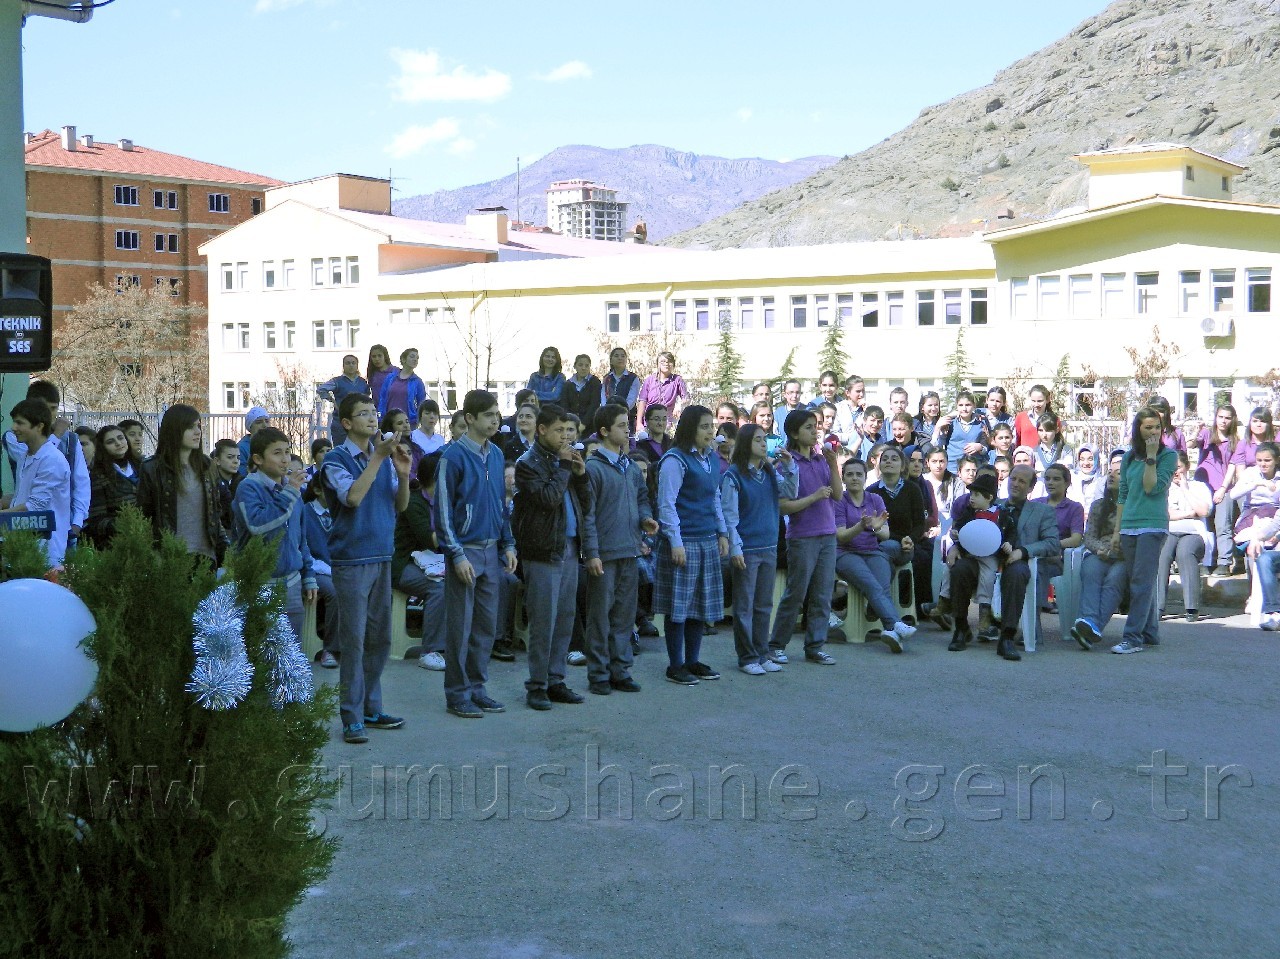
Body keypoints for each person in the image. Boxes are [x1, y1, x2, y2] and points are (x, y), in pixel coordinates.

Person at [320, 394, 412, 743]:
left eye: (374, 413)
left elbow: (400, 505)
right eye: (363, 414)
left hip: (381, 556)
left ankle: (372, 707)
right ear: (346, 423)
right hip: (351, 560)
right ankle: (351, 716)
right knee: (354, 642)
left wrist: (402, 474)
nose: (372, 418)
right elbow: (353, 497)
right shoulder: (335, 459)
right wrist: (378, 457)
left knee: (379, 639)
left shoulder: (384, 457)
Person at [435, 390, 518, 719]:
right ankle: (456, 693)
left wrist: (508, 543)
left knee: (486, 625)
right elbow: (443, 512)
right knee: (460, 626)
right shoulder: (451, 457)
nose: (495, 420)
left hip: (490, 550)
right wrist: (455, 555)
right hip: (465, 553)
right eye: (488, 415)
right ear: (469, 418)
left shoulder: (497, 455)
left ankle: (477, 688)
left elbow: (502, 504)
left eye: (497, 414)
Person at [512, 404, 595, 710]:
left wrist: (581, 476)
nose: (565, 437)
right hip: (542, 551)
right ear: (542, 430)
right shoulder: (527, 463)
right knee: (543, 621)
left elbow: (586, 505)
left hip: (570, 548)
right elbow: (547, 500)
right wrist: (563, 468)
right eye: (559, 430)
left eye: (568, 431)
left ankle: (556, 681)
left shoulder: (565, 461)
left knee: (564, 620)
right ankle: (536, 685)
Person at [949, 464, 1060, 661]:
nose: (1015, 484)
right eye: (1013, 479)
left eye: (1022, 481)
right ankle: (961, 628)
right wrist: (955, 547)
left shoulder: (1042, 511)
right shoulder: (989, 503)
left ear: (1031, 488)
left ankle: (1007, 636)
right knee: (960, 568)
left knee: (1016, 574)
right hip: (982, 559)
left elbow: (1052, 544)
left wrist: (1023, 551)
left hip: (1014, 560)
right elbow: (965, 528)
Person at [583, 404, 657, 694]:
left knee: (624, 617)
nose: (627, 429)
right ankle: (598, 674)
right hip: (604, 554)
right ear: (604, 431)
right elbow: (587, 515)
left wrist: (645, 518)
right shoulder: (593, 468)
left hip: (630, 550)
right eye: (620, 425)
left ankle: (620, 670)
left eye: (627, 424)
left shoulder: (630, 467)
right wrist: (592, 552)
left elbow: (641, 498)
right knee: (600, 617)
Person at [654, 405, 729, 685]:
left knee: (699, 605)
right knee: (679, 607)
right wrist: (675, 542)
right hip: (683, 542)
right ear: (690, 429)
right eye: (704, 427)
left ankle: (693, 660)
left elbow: (714, 498)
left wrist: (722, 532)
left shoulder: (711, 459)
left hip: (707, 540)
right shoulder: (675, 460)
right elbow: (667, 504)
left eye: (712, 426)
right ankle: (675, 665)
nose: (711, 432)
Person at [768, 408, 842, 667]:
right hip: (802, 536)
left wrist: (834, 464)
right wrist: (813, 497)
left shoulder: (822, 460)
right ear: (793, 433)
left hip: (827, 535)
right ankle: (776, 645)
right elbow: (783, 506)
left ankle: (815, 646)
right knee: (796, 593)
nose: (815, 431)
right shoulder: (787, 464)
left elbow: (837, 495)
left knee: (822, 595)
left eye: (815, 426)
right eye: (808, 427)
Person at [231, 427, 317, 646]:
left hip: (292, 583)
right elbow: (258, 525)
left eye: (287, 452)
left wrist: (308, 575)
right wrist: (290, 492)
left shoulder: (291, 492)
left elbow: (300, 539)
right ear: (258, 459)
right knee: (260, 653)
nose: (285, 459)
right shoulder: (248, 488)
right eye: (277, 453)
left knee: (290, 656)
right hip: (260, 584)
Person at [722, 424, 793, 675]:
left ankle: (762, 653)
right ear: (745, 444)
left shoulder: (770, 471)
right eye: (758, 440)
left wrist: (790, 467)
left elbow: (789, 494)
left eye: (765, 439)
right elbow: (729, 516)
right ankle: (747, 656)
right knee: (744, 605)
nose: (764, 444)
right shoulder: (733, 475)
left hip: (769, 547)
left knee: (764, 604)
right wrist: (735, 547)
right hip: (747, 548)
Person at [1108, 407, 1177, 654]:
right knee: (1137, 581)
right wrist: (1117, 531)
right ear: (1138, 429)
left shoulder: (1168, 456)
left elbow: (1151, 487)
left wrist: (1151, 455)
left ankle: (1132, 638)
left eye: (1157, 427)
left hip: (1152, 525)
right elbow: (1123, 494)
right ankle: (1150, 632)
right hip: (1129, 527)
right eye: (1148, 427)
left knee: (1141, 581)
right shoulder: (1127, 458)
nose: (1154, 432)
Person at [834, 458, 917, 653]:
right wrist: (861, 526)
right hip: (846, 554)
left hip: (872, 551)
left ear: (865, 477)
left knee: (882, 587)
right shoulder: (839, 501)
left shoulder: (875, 499)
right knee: (871, 585)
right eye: (850, 474)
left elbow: (885, 534)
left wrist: (876, 529)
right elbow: (841, 536)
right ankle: (895, 624)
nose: (854, 478)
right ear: (843, 478)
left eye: (858, 474)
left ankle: (891, 631)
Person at [3, 380, 89, 549]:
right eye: (43, 408)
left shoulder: (55, 455)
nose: (49, 414)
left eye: (53, 409)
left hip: (49, 542)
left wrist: (77, 522)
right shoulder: (23, 450)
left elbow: (81, 483)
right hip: (23, 538)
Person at [137, 405, 225, 566]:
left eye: (198, 426)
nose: (198, 431)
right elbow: (144, 515)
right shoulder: (152, 468)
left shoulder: (207, 466)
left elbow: (215, 512)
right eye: (190, 427)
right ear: (175, 430)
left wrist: (224, 549)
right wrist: (152, 552)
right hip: (169, 556)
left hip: (206, 555)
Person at [943, 472, 1014, 651]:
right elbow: (958, 528)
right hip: (968, 554)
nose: (971, 498)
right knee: (955, 568)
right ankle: (957, 623)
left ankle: (985, 612)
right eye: (971, 494)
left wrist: (1008, 544)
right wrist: (955, 540)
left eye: (976, 495)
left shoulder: (1002, 514)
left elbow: (1008, 533)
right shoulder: (969, 513)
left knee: (988, 576)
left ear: (989, 497)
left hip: (991, 555)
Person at [392, 452, 447, 673]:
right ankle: (431, 651)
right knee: (439, 588)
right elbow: (431, 540)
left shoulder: (446, 499)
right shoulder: (415, 502)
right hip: (405, 564)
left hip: (435, 562)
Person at [0, 398, 71, 569]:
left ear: (39, 426)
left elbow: (35, 506)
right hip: (21, 547)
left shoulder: (51, 459)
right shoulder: (26, 455)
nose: (13, 428)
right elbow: (22, 497)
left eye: (20, 423)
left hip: (43, 553)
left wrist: (2, 515)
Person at [1070, 471, 1127, 650]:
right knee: (1090, 571)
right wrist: (1098, 549)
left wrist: (1117, 551)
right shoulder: (1098, 506)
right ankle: (1090, 624)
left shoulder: (1133, 508)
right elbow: (1089, 537)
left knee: (1115, 578)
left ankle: (1091, 626)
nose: (1111, 475)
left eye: (1118, 473)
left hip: (1124, 557)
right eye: (1110, 472)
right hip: (1100, 553)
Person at [1157, 451, 1211, 623]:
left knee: (1185, 552)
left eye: (1178, 467)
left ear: (1186, 467)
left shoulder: (1199, 487)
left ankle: (1191, 607)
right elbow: (1165, 514)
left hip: (1194, 532)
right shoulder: (1163, 488)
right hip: (1169, 530)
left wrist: (1185, 489)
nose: (1175, 472)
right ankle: (1157, 606)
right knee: (1162, 553)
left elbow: (1203, 511)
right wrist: (1189, 513)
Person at [1189, 404, 1241, 576]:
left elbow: (1233, 467)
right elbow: (1190, 445)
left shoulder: (1235, 441)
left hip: (1223, 489)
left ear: (1232, 420)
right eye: (1220, 417)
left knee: (1223, 525)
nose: (1223, 421)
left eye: (1227, 417)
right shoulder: (1206, 434)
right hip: (1202, 488)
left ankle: (1224, 562)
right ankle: (1206, 561)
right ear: (1216, 417)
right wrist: (1196, 431)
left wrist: (1223, 489)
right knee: (1204, 526)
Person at [301, 473, 341, 668]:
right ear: (317, 490)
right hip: (313, 569)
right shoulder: (305, 512)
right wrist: (326, 568)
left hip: (338, 567)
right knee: (334, 591)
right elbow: (303, 549)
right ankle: (330, 648)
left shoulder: (339, 511)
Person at [1033, 463, 1085, 610]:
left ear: (1067, 483)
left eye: (1056, 479)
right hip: (1034, 554)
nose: (1050, 482)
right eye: (1047, 479)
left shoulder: (1074, 508)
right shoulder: (1035, 504)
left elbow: (1076, 539)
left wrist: (1051, 546)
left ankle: (1036, 611)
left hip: (1059, 559)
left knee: (1040, 567)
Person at [85, 424, 141, 549]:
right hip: (117, 544)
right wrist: (121, 525)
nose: (118, 443)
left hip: (147, 538)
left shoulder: (143, 466)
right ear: (102, 447)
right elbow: (96, 520)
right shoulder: (98, 476)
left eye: (120, 438)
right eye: (110, 442)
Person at [1230, 440, 1280, 542]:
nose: (1262, 464)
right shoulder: (1251, 473)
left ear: (1277, 460)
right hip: (1253, 512)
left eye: (1267, 460)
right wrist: (1256, 484)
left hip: (1275, 515)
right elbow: (1233, 495)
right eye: (1259, 460)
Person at [317, 354, 370, 445]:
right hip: (340, 421)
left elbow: (367, 397)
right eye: (348, 363)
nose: (351, 365)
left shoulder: (362, 382)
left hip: (358, 421)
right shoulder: (337, 381)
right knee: (341, 449)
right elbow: (321, 389)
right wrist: (331, 400)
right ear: (343, 366)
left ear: (357, 365)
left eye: (353, 363)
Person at [933, 391, 989, 471]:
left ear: (974, 406)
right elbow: (937, 445)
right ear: (957, 407)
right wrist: (938, 428)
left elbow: (986, 448)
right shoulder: (950, 424)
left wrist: (980, 447)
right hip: (952, 468)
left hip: (973, 469)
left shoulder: (981, 423)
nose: (964, 409)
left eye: (968, 405)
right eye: (961, 405)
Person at [636, 351, 688, 428]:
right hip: (649, 423)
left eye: (669, 361)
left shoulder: (677, 380)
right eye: (663, 361)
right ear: (657, 364)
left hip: (666, 424)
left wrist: (679, 406)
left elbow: (686, 398)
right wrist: (639, 423)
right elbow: (642, 401)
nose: (666, 363)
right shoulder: (649, 380)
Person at [378, 348, 427, 427]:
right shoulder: (390, 378)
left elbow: (421, 404)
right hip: (389, 421)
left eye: (417, 358)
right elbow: (382, 399)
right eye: (412, 357)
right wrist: (380, 416)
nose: (415, 359)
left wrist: (417, 420)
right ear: (403, 359)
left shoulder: (417, 382)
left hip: (409, 423)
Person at [601, 347, 641, 430]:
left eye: (623, 356)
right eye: (616, 356)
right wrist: (607, 412)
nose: (620, 358)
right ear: (611, 360)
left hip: (627, 416)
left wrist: (620, 412)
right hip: (609, 417)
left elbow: (631, 400)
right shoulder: (607, 378)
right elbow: (603, 398)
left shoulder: (633, 378)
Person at [558, 353, 603, 428]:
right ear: (575, 366)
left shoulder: (595, 382)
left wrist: (584, 424)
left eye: (587, 365)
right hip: (570, 425)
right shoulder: (568, 384)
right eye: (580, 365)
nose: (583, 368)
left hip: (590, 425)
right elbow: (564, 404)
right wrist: (569, 422)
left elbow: (594, 405)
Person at [210, 438, 241, 532]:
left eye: (238, 457)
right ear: (217, 461)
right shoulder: (210, 483)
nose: (236, 461)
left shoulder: (243, 482)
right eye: (230, 457)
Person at [408, 398, 445, 473]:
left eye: (435, 414)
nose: (432, 416)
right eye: (427, 413)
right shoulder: (412, 436)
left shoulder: (440, 439)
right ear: (420, 416)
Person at [1013, 384, 1052, 449]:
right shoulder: (1021, 417)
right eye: (1033, 401)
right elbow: (1016, 441)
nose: (1036, 404)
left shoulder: (1053, 419)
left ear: (1047, 400)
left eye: (1040, 401)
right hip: (1025, 458)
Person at [236, 406, 270, 477]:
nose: (264, 425)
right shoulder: (241, 448)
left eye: (267, 421)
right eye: (259, 422)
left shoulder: (273, 444)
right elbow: (241, 474)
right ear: (250, 426)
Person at [833, 375, 866, 448]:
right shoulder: (838, 408)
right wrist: (852, 437)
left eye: (863, 391)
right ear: (847, 393)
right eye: (858, 391)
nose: (861, 394)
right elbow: (834, 433)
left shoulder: (866, 409)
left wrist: (867, 412)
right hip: (845, 450)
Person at [1071, 444, 1105, 509]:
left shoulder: (1102, 481)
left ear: (1096, 459)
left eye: (1090, 459)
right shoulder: (1071, 478)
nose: (1086, 463)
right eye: (1082, 459)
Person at [365, 344, 398, 408]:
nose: (377, 359)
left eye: (379, 356)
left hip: (393, 407)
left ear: (385, 356)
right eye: (374, 356)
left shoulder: (396, 372)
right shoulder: (372, 373)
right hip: (378, 409)